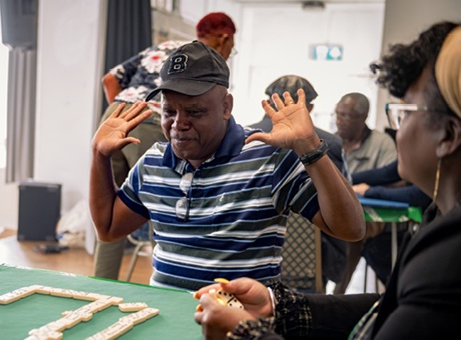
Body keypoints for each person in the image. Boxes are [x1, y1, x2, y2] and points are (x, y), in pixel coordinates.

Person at [193, 20, 461, 339]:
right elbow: (390, 306)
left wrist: (248, 333)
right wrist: (279, 308)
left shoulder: (448, 262)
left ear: (447, 134)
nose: (398, 129)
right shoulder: (438, 223)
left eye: (404, 114)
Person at [89, 41, 365, 291]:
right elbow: (109, 228)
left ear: (225, 106)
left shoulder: (268, 159)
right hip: (169, 320)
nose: (178, 124)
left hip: (242, 323)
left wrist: (310, 148)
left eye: (195, 112)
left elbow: (351, 229)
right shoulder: (153, 162)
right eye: (169, 111)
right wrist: (99, 157)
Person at [94, 12, 237, 280]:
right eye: (232, 47)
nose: (231, 53)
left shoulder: (166, 49)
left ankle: (103, 283)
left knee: (113, 206)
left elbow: (110, 80)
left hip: (115, 116)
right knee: (163, 197)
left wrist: (125, 114)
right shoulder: (206, 63)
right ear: (225, 38)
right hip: (149, 118)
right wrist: (143, 113)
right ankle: (166, 280)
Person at [325, 92, 399, 294]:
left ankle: (337, 296)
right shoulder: (331, 143)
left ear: (364, 116)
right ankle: (315, 289)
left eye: (346, 116)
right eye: (337, 114)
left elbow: (397, 179)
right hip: (332, 214)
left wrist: (367, 189)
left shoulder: (382, 144)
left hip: (370, 217)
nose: (339, 121)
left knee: (350, 230)